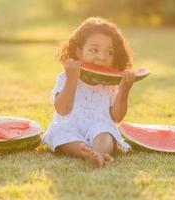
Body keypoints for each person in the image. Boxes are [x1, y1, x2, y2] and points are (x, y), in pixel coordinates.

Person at [43, 17, 137, 168]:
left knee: (107, 132)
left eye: (109, 53)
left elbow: (117, 117)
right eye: (94, 50)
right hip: (69, 128)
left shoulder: (111, 83)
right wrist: (72, 78)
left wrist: (124, 89)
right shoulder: (65, 77)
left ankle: (98, 154)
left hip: (99, 129)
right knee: (58, 134)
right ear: (79, 52)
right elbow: (62, 109)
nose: (101, 57)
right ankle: (88, 153)